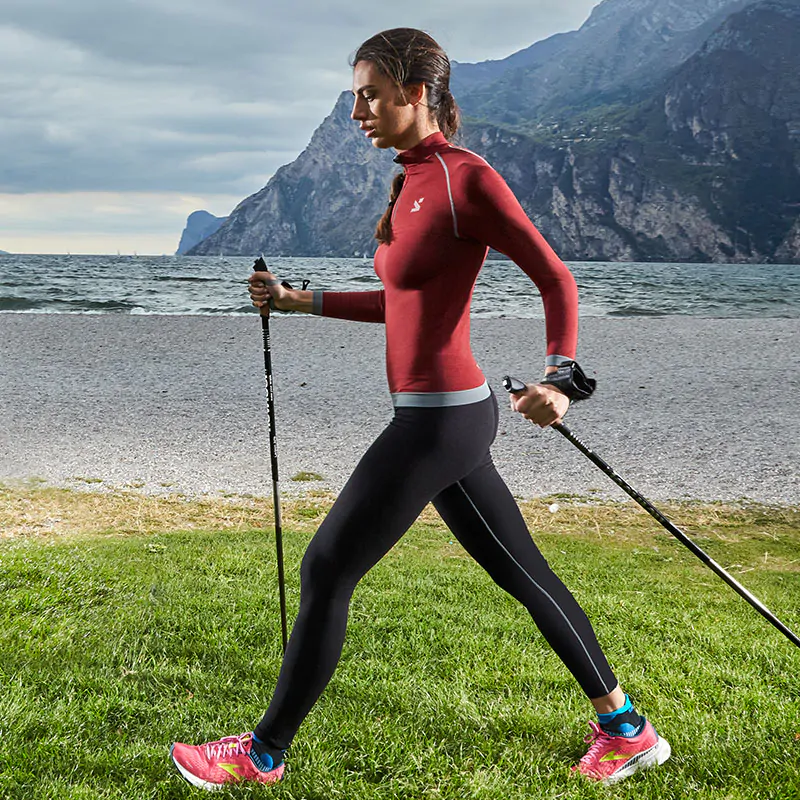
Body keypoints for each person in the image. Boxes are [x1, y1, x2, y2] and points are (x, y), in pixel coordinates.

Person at [170, 27, 671, 790]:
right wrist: (298, 301)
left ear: (414, 93)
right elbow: (402, 301)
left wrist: (561, 380)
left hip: (439, 419)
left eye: (369, 94)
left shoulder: (467, 178)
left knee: (327, 567)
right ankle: (626, 728)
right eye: (355, 95)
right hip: (450, 414)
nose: (356, 111)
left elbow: (556, 278)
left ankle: (263, 752)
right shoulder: (411, 178)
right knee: (522, 572)